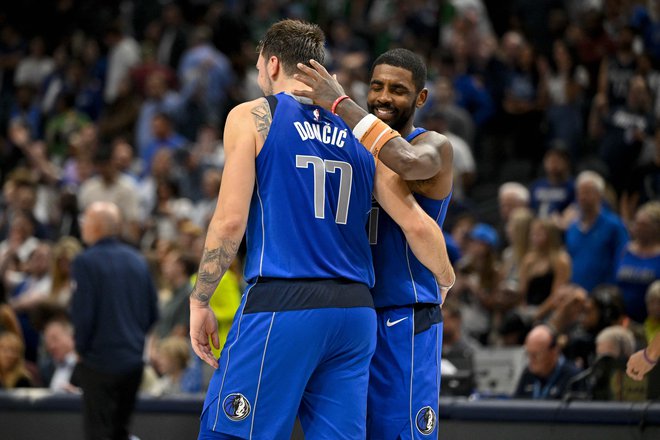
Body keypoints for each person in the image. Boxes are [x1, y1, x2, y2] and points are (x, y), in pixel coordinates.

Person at [189, 20, 453, 440]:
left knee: (230, 432)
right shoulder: (364, 135)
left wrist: (200, 299)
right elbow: (416, 224)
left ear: (273, 63)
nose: (260, 76)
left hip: (284, 298)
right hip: (355, 313)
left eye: (260, 67)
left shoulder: (254, 115)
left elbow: (229, 221)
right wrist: (445, 278)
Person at [298, 48, 454, 439]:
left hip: (403, 312)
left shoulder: (433, 145)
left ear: (421, 98)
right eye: (377, 86)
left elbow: (408, 163)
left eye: (398, 90)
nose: (383, 97)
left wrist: (339, 103)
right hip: (349, 315)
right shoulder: (345, 146)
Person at [71, 201, 158, 440]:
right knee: (121, 433)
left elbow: (84, 314)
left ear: (97, 227)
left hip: (98, 365)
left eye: (85, 221)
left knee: (98, 434)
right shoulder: (138, 261)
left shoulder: (85, 262)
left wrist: (81, 349)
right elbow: (152, 312)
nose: (82, 227)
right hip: (132, 365)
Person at [513, 324, 581, 399]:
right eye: (528, 354)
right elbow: (516, 405)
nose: (531, 360)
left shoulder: (574, 377)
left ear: (553, 352)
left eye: (536, 355)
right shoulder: (528, 374)